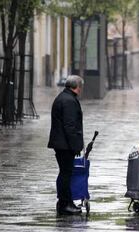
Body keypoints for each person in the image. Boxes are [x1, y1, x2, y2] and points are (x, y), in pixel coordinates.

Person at [48, 75, 84, 215]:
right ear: (77, 87)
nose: (81, 90)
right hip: (64, 145)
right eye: (80, 87)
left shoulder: (64, 97)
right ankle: (65, 204)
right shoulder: (69, 101)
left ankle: (64, 202)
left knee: (65, 173)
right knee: (65, 174)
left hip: (61, 143)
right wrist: (75, 146)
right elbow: (70, 126)